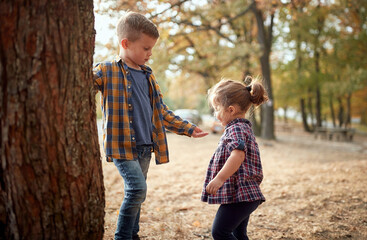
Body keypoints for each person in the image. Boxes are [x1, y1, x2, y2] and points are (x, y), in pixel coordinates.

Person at [93, 11, 208, 240]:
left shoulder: (148, 75)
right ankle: (122, 237)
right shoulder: (106, 71)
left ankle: (133, 234)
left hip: (146, 146)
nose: (150, 54)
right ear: (125, 43)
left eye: (151, 48)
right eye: (146, 48)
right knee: (137, 189)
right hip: (122, 146)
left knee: (136, 194)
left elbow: (161, 111)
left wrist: (188, 128)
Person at [201, 77, 268, 240]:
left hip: (241, 195)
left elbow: (238, 155)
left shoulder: (236, 129)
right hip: (242, 195)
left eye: (217, 108)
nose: (215, 113)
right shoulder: (241, 127)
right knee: (238, 234)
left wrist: (219, 179)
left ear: (230, 109)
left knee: (220, 232)